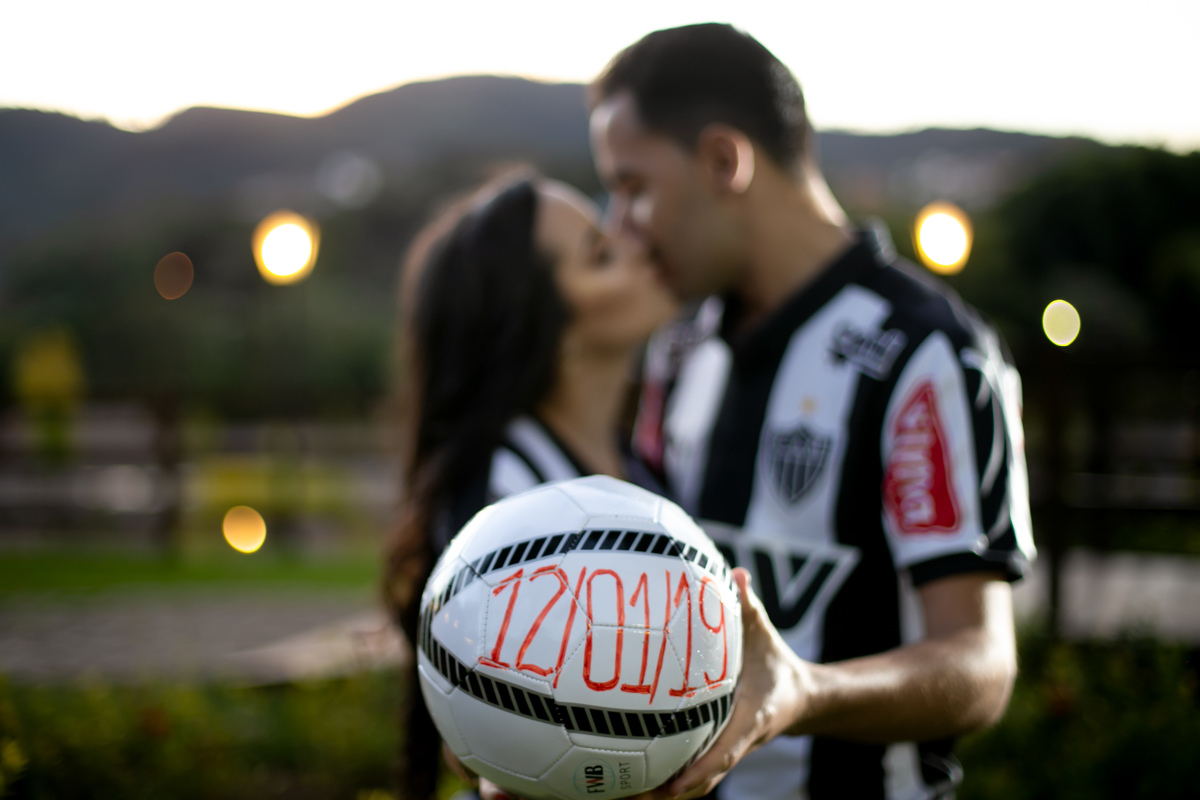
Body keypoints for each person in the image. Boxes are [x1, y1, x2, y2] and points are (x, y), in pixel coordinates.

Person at [588, 24, 1036, 800]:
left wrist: (803, 693)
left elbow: (980, 663)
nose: (618, 224)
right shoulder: (680, 349)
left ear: (724, 160)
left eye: (633, 188)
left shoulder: (925, 352)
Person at [383, 172, 677, 800]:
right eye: (601, 255)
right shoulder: (505, 496)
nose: (638, 244)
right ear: (550, 326)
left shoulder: (641, 470)